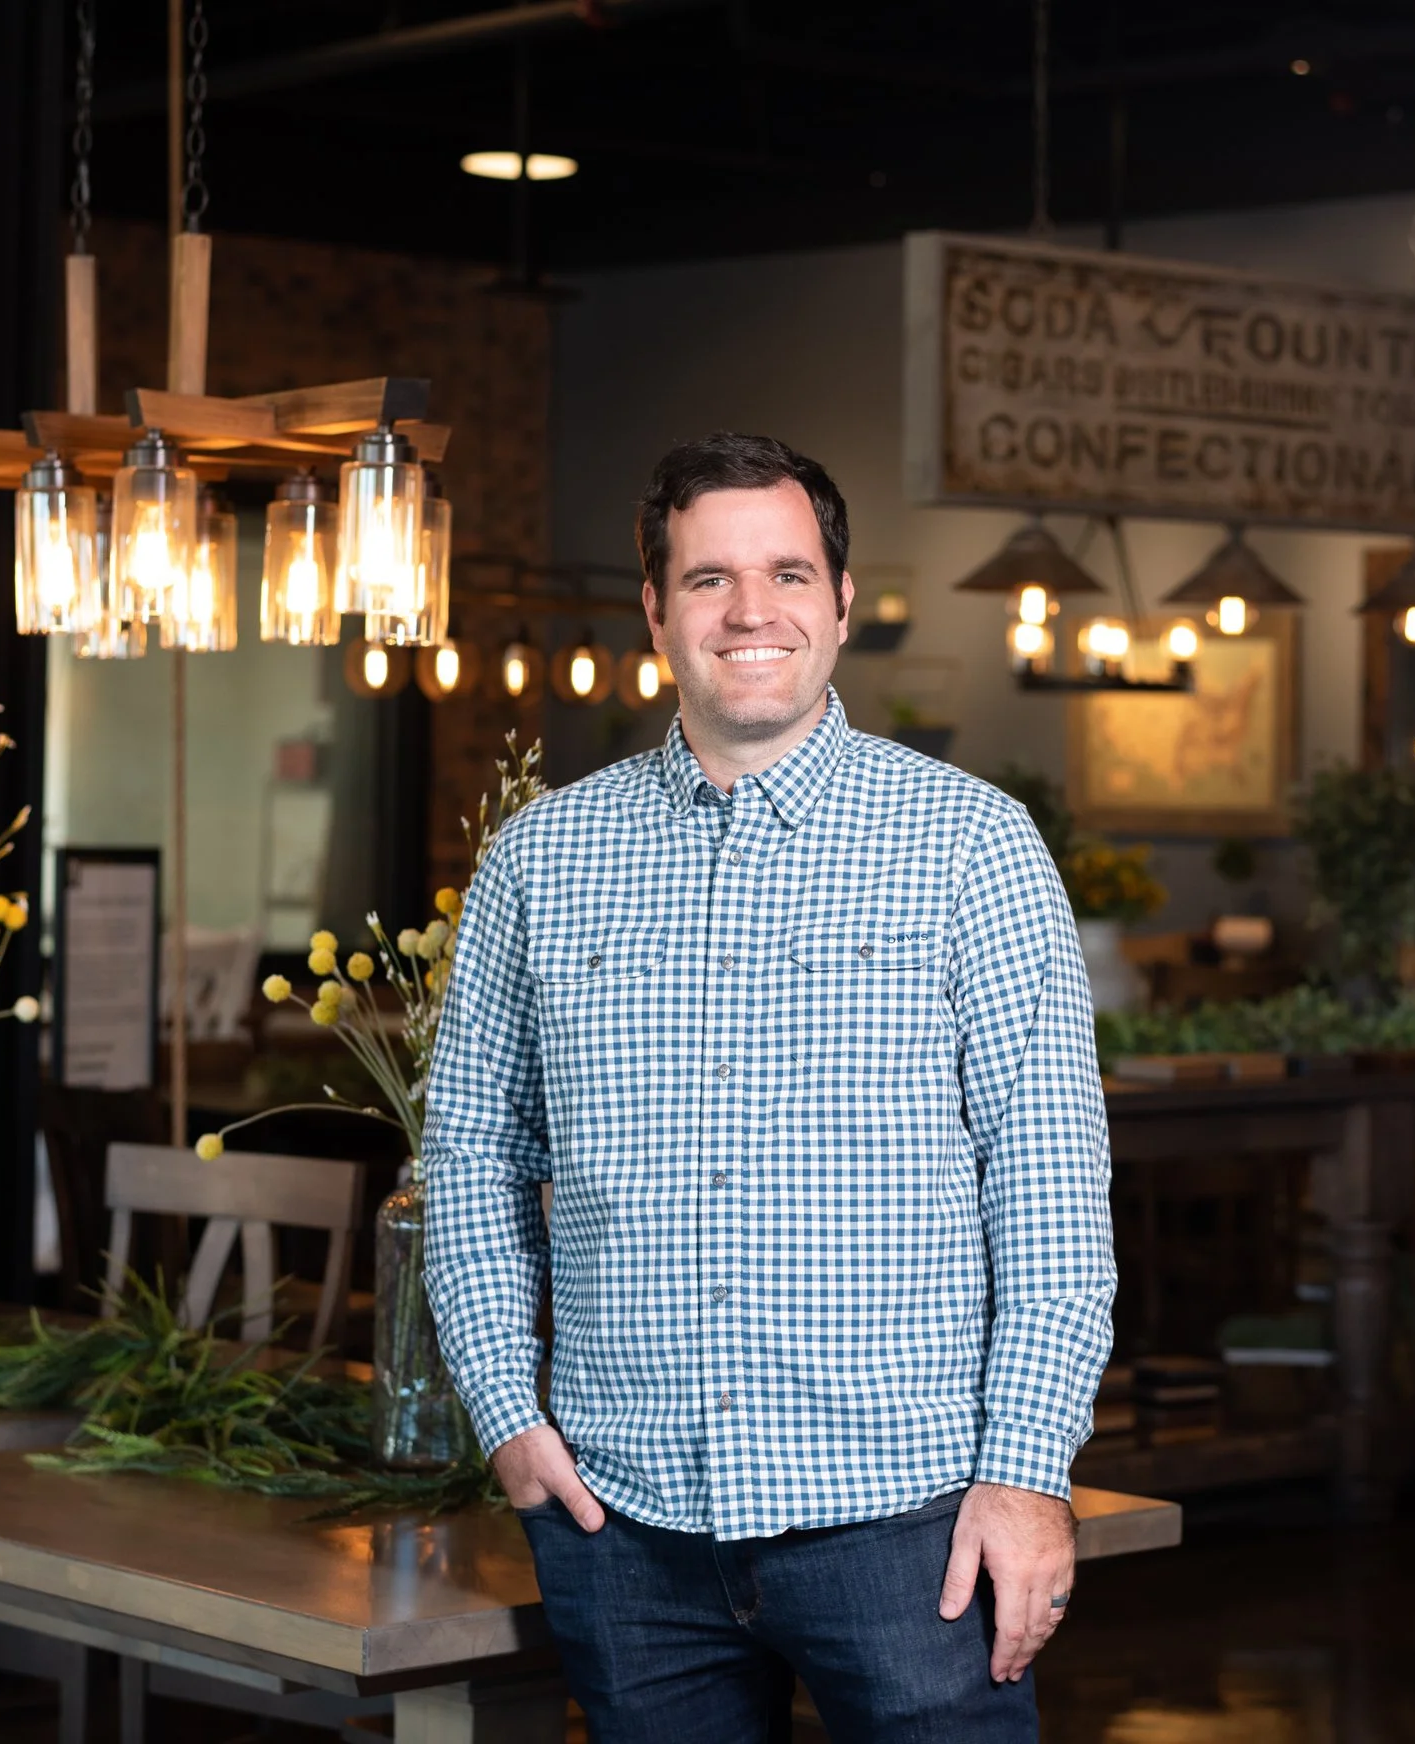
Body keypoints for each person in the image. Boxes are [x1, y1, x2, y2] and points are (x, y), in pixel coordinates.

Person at [421, 431, 1114, 1742]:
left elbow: (1052, 1177)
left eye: (789, 573)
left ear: (842, 604)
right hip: (623, 1527)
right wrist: (507, 1414)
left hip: (911, 1526)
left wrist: (1030, 1473)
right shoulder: (542, 863)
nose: (753, 611)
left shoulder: (973, 846)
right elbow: (469, 1156)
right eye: (708, 579)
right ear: (656, 611)